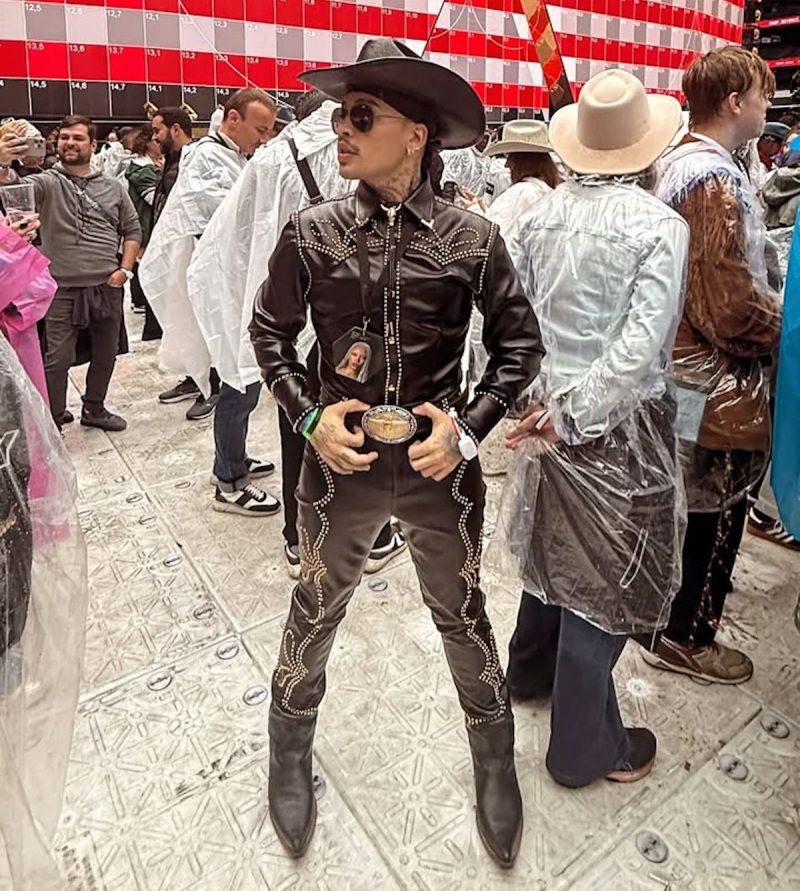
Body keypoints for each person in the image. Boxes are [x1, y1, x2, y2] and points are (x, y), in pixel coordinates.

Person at [250, 38, 544, 867]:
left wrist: (469, 427)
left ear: (415, 135)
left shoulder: (472, 237)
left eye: (360, 116)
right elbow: (269, 333)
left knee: (463, 613)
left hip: (437, 472)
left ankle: (494, 758)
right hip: (336, 471)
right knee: (315, 605)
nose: (339, 129)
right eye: (339, 115)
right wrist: (309, 416)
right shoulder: (311, 232)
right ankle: (288, 746)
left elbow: (520, 348)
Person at [493, 69, 688, 789]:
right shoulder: (659, 227)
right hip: (615, 426)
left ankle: (527, 671)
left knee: (551, 547)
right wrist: (573, 414)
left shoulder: (537, 215)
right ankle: (583, 746)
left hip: (544, 414)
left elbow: (505, 317)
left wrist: (532, 402)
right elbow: (639, 346)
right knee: (606, 580)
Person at [188, 91, 406, 566]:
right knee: (362, 422)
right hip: (355, 324)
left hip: (290, 319)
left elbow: (230, 243)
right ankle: (373, 536)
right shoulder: (371, 154)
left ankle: (299, 538)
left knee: (301, 426)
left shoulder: (270, 161)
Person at [642, 46, 782, 684]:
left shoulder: (676, 162)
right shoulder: (712, 180)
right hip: (711, 376)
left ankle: (662, 616)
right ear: (734, 102)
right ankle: (686, 636)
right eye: (762, 95)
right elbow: (726, 303)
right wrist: (780, 330)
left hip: (677, 367)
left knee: (682, 503)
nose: (767, 106)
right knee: (714, 509)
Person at [141, 88, 280, 515]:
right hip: (225, 292)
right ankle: (229, 483)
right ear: (232, 119)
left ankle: (234, 457)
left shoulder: (235, 156)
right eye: (259, 129)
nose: (263, 139)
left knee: (246, 382)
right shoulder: (205, 158)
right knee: (238, 383)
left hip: (239, 289)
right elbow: (221, 222)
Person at [0, 114, 141, 432]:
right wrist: (4, 163)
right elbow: (12, 189)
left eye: (78, 138)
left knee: (106, 353)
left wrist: (125, 269)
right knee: (57, 359)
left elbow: (132, 229)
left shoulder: (113, 187)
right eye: (64, 137)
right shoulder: (46, 182)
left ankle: (95, 408)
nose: (70, 143)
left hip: (107, 285)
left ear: (93, 145)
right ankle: (52, 418)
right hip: (60, 288)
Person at [144, 107, 192, 345]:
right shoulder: (172, 163)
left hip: (183, 253)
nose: (154, 137)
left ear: (175, 129)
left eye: (157, 131)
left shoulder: (191, 163)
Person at [122, 125, 162, 313]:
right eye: (155, 140)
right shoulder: (142, 169)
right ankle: (139, 300)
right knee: (142, 262)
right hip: (144, 224)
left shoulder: (152, 165)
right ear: (146, 143)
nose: (159, 142)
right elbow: (153, 199)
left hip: (149, 223)